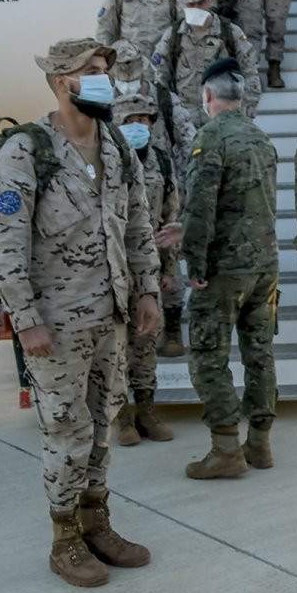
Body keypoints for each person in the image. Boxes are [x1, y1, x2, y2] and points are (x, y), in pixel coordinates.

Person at [0, 37, 163, 587]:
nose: (104, 78)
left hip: (109, 316)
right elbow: (5, 239)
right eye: (92, 71)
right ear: (63, 82)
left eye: (105, 69)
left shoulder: (114, 146)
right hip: (55, 324)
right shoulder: (28, 150)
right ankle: (64, 538)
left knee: (103, 424)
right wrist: (26, 318)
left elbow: (137, 226)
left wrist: (148, 291)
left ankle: (97, 524)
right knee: (66, 430)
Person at [182, 57, 279, 480]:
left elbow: (201, 207)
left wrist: (196, 263)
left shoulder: (210, 138)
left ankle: (225, 450)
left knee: (208, 355)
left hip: (225, 270)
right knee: (259, 353)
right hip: (264, 265)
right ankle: (259, 445)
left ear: (207, 96)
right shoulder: (261, 139)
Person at [111, 40, 196, 356]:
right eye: (122, 67)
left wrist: (187, 185)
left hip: (162, 179)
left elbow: (187, 141)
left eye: (133, 66)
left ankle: (172, 328)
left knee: (167, 250)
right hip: (122, 182)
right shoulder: (102, 101)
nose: (128, 72)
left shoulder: (162, 97)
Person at [112, 93, 181, 446]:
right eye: (131, 120)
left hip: (149, 268)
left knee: (146, 343)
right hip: (112, 269)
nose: (140, 126)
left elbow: (171, 218)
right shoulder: (105, 160)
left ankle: (146, 412)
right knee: (116, 346)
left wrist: (168, 267)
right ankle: (121, 417)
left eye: (145, 120)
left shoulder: (162, 164)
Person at [152, 0, 261, 125]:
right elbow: (160, 78)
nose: (196, 8)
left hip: (222, 114)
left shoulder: (230, 33)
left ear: (211, 0)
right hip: (185, 117)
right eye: (191, 4)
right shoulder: (172, 36)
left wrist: (246, 114)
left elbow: (250, 72)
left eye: (200, 3)